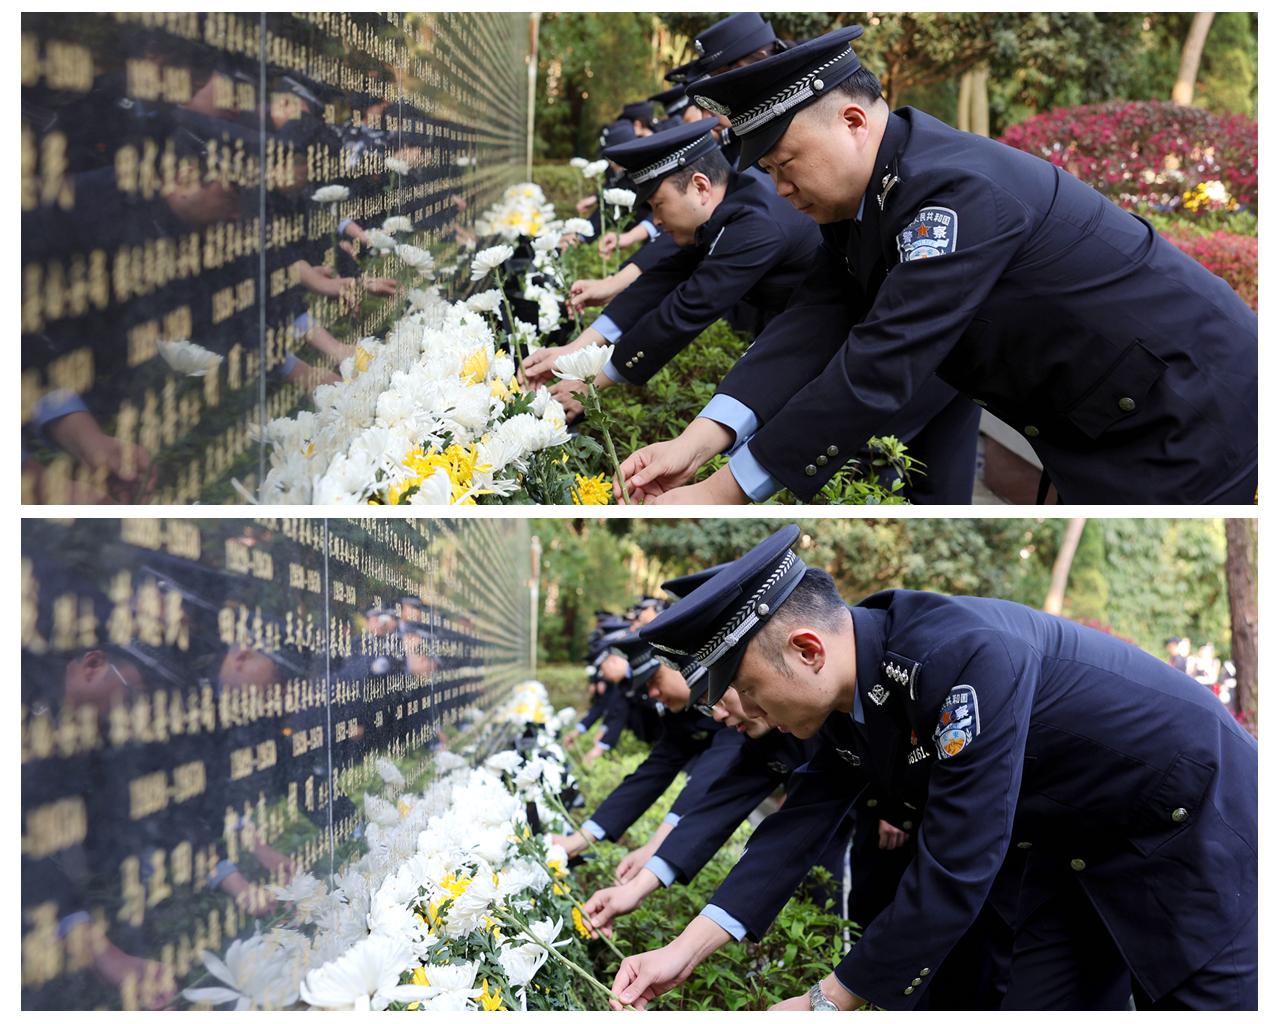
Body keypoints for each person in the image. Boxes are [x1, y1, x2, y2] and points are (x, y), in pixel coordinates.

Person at [608, 525, 1256, 1010]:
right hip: (1075, 849)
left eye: (746, 690)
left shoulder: (959, 656)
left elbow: (957, 859)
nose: (742, 711)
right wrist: (681, 951)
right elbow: (795, 826)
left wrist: (826, 1000)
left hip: (1191, 829)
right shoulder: (853, 690)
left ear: (807, 651)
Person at [617, 26, 1258, 505]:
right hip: (1106, 414)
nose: (780, 189)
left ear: (852, 121)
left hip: (1188, 409)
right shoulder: (869, 199)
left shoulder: (952, 194)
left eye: (786, 164)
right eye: (768, 173)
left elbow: (880, 364)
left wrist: (720, 493)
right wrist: (699, 440)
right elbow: (812, 320)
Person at [526, 120, 822, 414]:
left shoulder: (756, 225)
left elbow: (686, 310)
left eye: (658, 204)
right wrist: (576, 349)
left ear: (700, 186)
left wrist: (591, 383)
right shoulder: (731, 205)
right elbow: (663, 277)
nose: (654, 220)